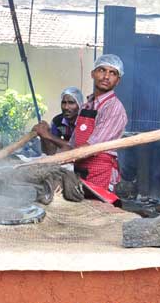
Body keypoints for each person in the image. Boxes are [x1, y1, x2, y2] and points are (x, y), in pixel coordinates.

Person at [34, 55, 128, 204]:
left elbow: (91, 148)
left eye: (113, 73)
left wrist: (55, 158)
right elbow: (71, 146)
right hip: (81, 172)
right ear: (93, 74)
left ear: (118, 80)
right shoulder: (87, 106)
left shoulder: (113, 108)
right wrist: (45, 156)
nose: (106, 76)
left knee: (98, 215)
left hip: (100, 173)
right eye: (102, 70)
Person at [42, 87, 83, 155]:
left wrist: (48, 135)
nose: (66, 107)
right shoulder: (57, 121)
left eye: (71, 103)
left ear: (80, 105)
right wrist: (43, 135)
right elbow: (50, 151)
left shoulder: (86, 122)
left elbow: (78, 148)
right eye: (64, 103)